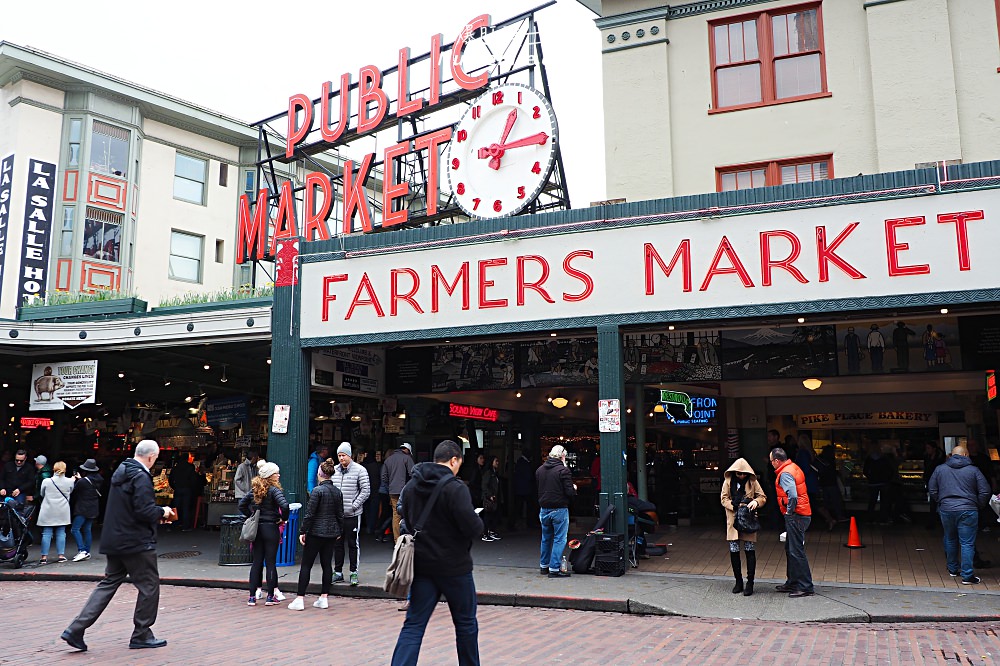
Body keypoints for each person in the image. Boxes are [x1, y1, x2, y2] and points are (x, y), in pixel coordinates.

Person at [61, 440, 176, 652]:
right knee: (149, 586)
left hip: (115, 538)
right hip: (136, 541)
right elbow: (144, 510)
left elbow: (131, 508)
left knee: (109, 583)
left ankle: (76, 628)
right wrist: (163, 512)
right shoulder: (141, 477)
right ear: (151, 457)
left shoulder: (121, 471)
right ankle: (142, 633)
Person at [390, 440, 483, 666]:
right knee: (466, 624)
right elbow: (473, 529)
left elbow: (407, 520)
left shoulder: (412, 486)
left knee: (413, 625)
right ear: (453, 460)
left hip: (422, 565)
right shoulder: (456, 488)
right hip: (455, 567)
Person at [928, 445, 991, 585]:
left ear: (951, 455)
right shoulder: (974, 470)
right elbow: (985, 490)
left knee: (950, 538)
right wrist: (978, 504)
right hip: (968, 509)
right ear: (966, 455)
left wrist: (941, 501)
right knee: (967, 543)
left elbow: (932, 488)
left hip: (946, 509)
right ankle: (967, 576)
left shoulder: (940, 469)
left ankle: (952, 569)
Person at [287, 458, 344, 611]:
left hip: (315, 533)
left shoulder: (317, 491)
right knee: (327, 565)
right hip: (331, 533)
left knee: (306, 565)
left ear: (320, 473)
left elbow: (310, 514)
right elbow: (340, 514)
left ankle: (300, 598)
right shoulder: (337, 492)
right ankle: (324, 597)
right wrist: (339, 530)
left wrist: (303, 531)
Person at [239, 461, 289, 606]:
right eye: (276, 473)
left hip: (257, 529)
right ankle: (270, 596)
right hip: (271, 528)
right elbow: (284, 505)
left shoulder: (254, 490)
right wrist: (282, 519)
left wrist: (251, 516)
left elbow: (242, 504)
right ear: (270, 476)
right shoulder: (274, 490)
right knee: (271, 563)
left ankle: (252, 597)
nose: (279, 475)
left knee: (256, 562)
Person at [769, 447, 814, 597]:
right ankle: (793, 582)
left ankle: (805, 586)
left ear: (776, 461)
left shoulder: (785, 473)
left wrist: (789, 511)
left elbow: (793, 495)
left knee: (796, 551)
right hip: (801, 514)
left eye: (771, 461)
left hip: (796, 516)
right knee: (791, 549)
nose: (771, 464)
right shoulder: (793, 467)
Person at [720, 458, 766, 596]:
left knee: (749, 550)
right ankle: (738, 581)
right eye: (738, 474)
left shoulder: (753, 482)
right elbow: (723, 498)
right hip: (733, 520)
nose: (741, 476)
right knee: (734, 551)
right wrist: (734, 506)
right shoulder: (728, 481)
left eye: (743, 473)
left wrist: (756, 503)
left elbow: (762, 496)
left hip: (748, 520)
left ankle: (750, 582)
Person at [332, 442, 370, 586]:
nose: (341, 458)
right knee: (337, 543)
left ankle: (354, 572)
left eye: (343, 455)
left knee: (353, 543)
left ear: (349, 455)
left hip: (353, 514)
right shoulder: (334, 471)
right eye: (339, 455)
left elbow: (365, 490)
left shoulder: (360, 470)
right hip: (337, 515)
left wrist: (354, 505)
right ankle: (338, 572)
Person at [536, 445, 576, 578]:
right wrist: (574, 488)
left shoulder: (540, 470)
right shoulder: (563, 470)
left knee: (546, 538)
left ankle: (544, 566)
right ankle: (554, 569)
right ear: (562, 456)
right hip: (559, 508)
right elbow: (569, 492)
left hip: (544, 509)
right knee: (559, 539)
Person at [38, 461, 74, 565]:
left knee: (46, 533)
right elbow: (70, 491)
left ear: (53, 469)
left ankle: (44, 557)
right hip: (62, 510)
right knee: (61, 533)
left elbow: (42, 493)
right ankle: (61, 556)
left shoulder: (47, 481)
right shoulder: (70, 481)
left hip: (48, 509)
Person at [70, 459, 103, 562]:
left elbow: (74, 491)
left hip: (82, 508)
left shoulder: (83, 481)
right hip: (93, 507)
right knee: (87, 529)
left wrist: (79, 479)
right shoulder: (99, 479)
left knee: (75, 529)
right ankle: (87, 551)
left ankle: (82, 550)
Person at [382, 442, 414, 542]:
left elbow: (384, 477)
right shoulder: (407, 458)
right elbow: (413, 474)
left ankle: (397, 540)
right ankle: (409, 538)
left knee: (396, 515)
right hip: (406, 491)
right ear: (408, 450)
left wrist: (390, 486)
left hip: (393, 491)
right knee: (409, 513)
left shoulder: (388, 460)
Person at [168, 453, 199, 532]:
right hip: (187, 489)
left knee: (175, 508)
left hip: (177, 488)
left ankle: (173, 525)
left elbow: (170, 479)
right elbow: (194, 480)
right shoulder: (190, 467)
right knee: (186, 508)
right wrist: (192, 488)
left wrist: (174, 487)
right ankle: (185, 526)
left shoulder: (175, 468)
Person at [512, 449, 536, 529]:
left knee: (518, 506)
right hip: (526, 488)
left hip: (520, 488)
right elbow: (529, 476)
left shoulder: (520, 462)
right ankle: (530, 523)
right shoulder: (525, 463)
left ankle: (514, 523)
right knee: (529, 506)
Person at [481, 455, 502, 542]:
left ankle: (491, 531)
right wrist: (489, 495)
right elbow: (484, 485)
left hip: (494, 496)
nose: (497, 462)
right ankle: (485, 533)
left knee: (493, 515)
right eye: (496, 461)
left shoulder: (494, 472)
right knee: (488, 515)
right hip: (489, 497)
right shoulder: (488, 473)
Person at [362, 449, 382, 534]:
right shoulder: (378, 466)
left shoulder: (362, 465)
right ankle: (371, 527)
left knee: (366, 508)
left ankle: (367, 525)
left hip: (364, 489)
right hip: (375, 489)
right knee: (374, 509)